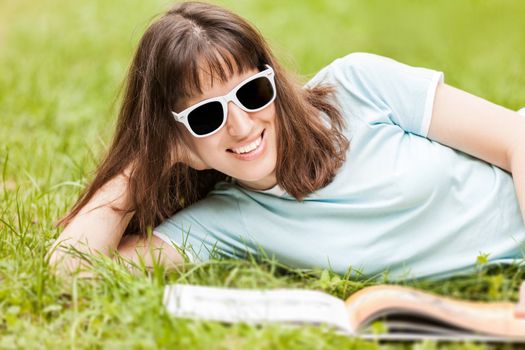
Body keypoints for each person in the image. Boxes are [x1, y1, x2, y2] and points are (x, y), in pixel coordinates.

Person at [48, 1, 525, 280]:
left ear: (273, 81)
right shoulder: (226, 221)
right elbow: (72, 270)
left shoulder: (358, 86)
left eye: (252, 92)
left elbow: (515, 137)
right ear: (179, 137)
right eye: (206, 116)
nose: (240, 126)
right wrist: (141, 167)